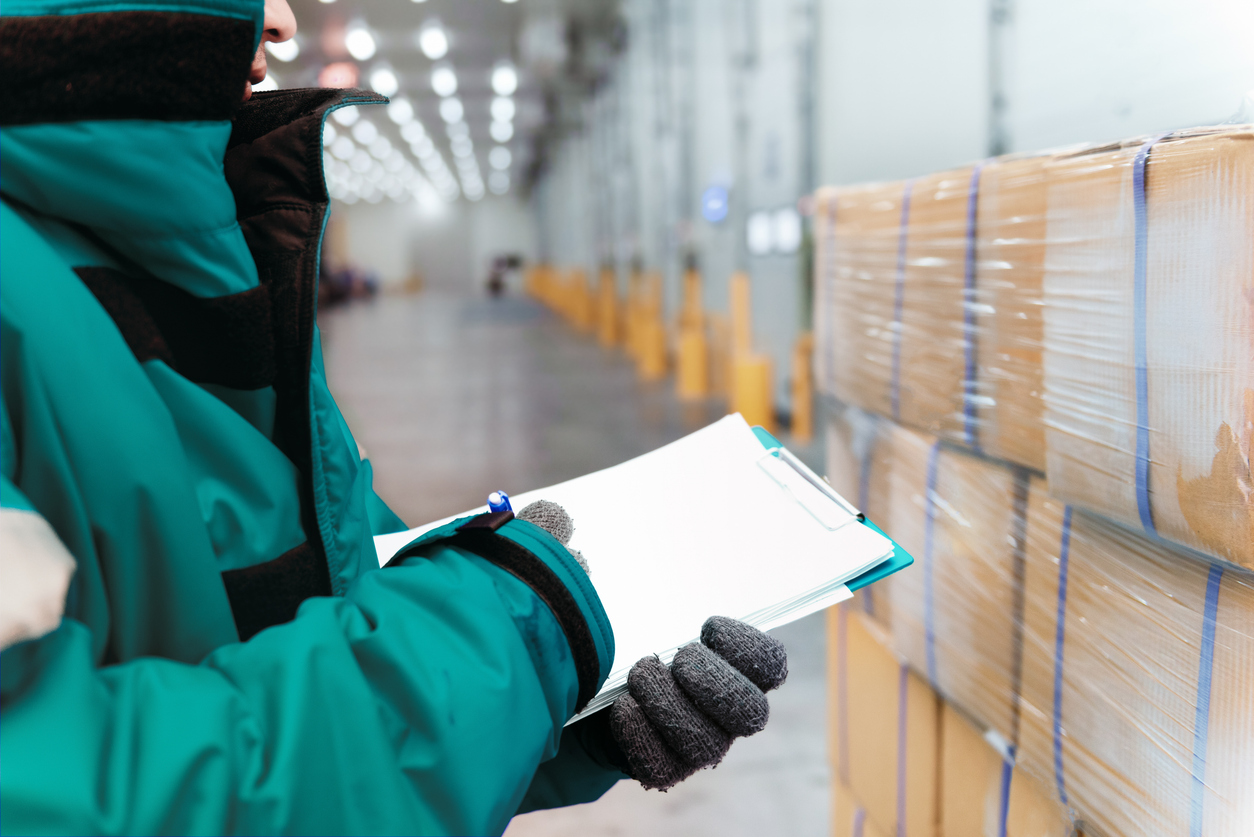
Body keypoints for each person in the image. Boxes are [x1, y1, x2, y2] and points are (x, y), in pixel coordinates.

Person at [0, 0, 787, 833]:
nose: (281, 18)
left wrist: (571, 704)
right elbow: (53, 788)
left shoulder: (206, 283)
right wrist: (505, 628)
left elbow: (318, 630)